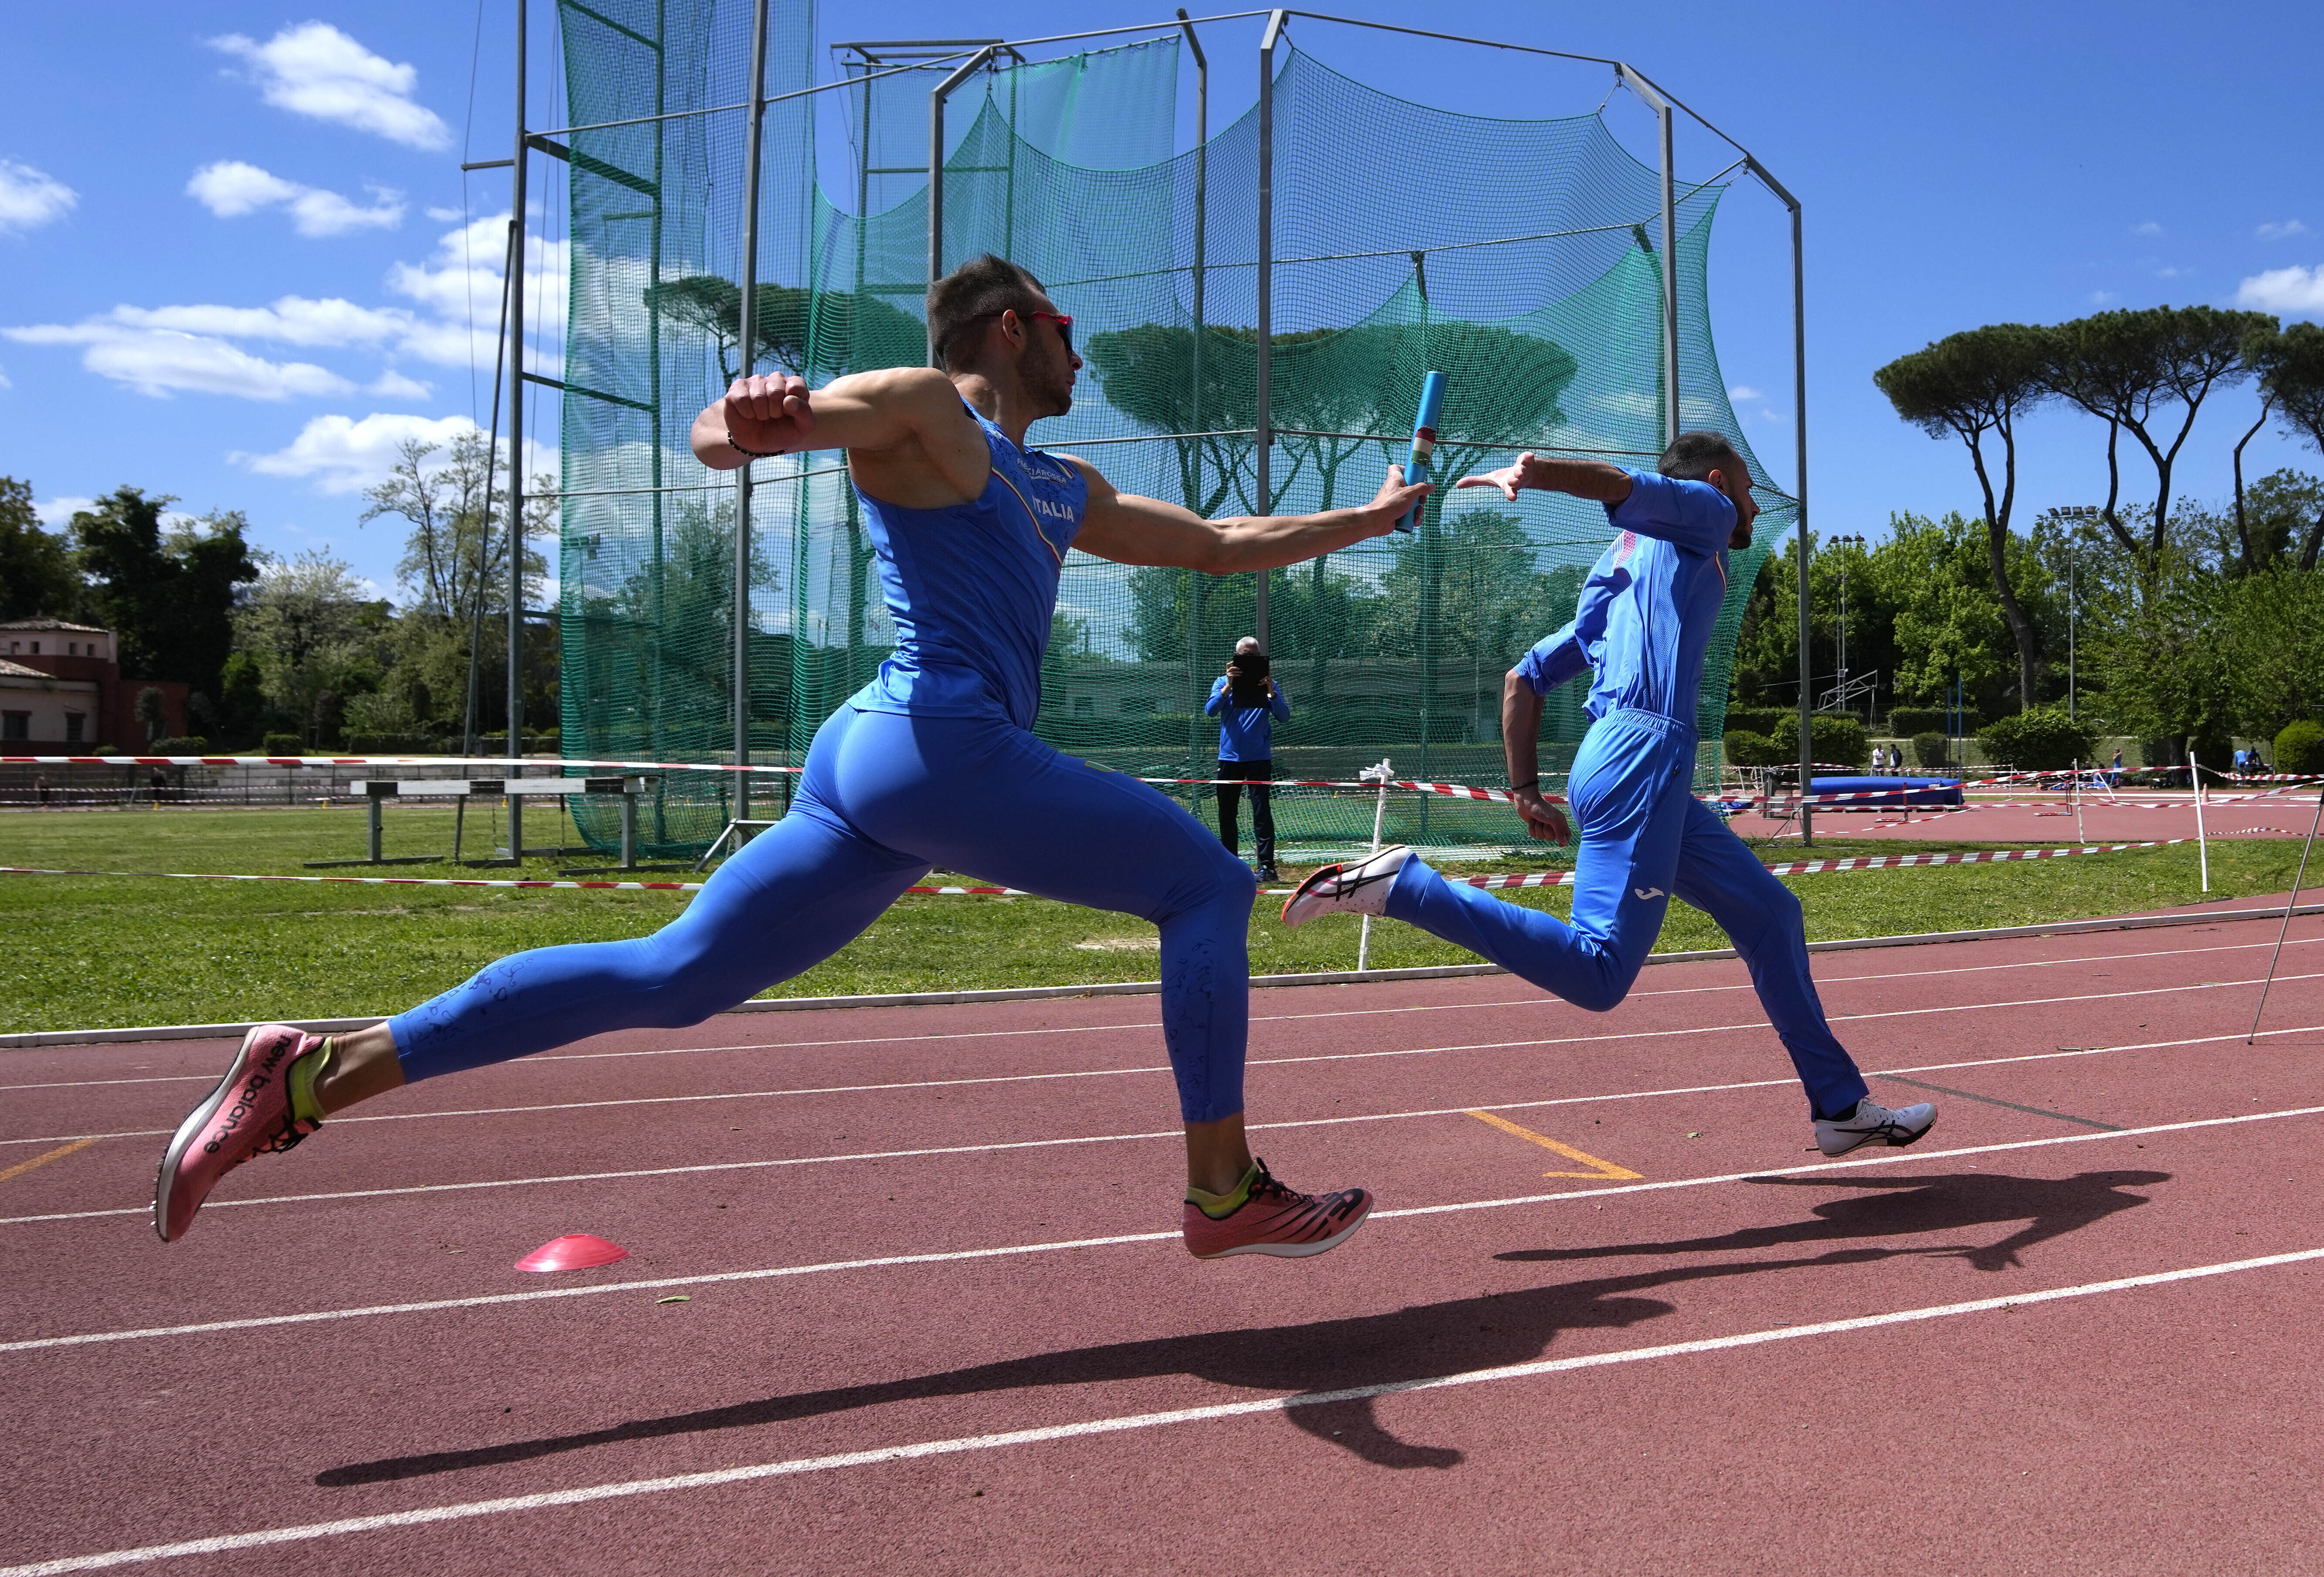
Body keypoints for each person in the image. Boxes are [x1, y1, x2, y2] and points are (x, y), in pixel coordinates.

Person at [153, 254, 1423, 1260]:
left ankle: (308, 1074)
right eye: (1068, 327)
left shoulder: (1057, 484)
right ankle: (1220, 1186)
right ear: (1009, 325)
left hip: (879, 763)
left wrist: (1367, 517)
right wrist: (743, 415)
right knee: (1203, 881)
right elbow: (726, 434)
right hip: (934, 737)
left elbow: (1218, 540)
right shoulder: (925, 409)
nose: (1085, 349)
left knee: (674, 975)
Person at [1282, 434, 1937, 1159]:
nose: (1751, 508)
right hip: (1642, 756)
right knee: (1598, 973)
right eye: (1748, 490)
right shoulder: (1708, 513)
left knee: (1770, 914)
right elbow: (1617, 486)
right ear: (1717, 483)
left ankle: (1838, 1104)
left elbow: (1520, 680)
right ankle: (1406, 889)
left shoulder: (1617, 570)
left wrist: (1526, 789)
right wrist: (1533, 473)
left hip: (1622, 764)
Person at [1205, 636, 1289, 882]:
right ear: (1235, 657)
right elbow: (1210, 711)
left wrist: (1272, 691)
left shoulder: (1268, 686)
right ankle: (1229, 864)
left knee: (1262, 813)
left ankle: (1267, 868)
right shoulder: (1222, 682)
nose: (1248, 659)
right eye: (1244, 655)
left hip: (1259, 759)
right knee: (1226, 813)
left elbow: (1284, 717)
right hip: (1229, 759)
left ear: (1260, 658)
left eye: (1253, 656)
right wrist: (1229, 686)